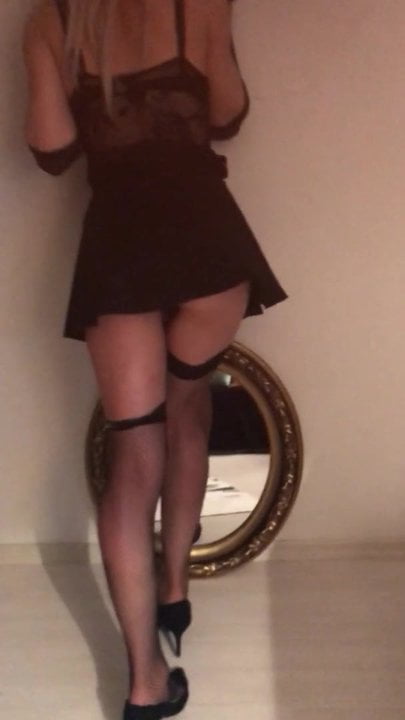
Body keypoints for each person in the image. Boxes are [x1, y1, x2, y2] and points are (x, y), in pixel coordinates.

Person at [23, 0, 288, 717]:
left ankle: (144, 683)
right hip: (208, 247)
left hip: (118, 252)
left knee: (133, 458)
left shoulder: (53, 19)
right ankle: (175, 590)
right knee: (188, 407)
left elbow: (51, 148)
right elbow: (227, 112)